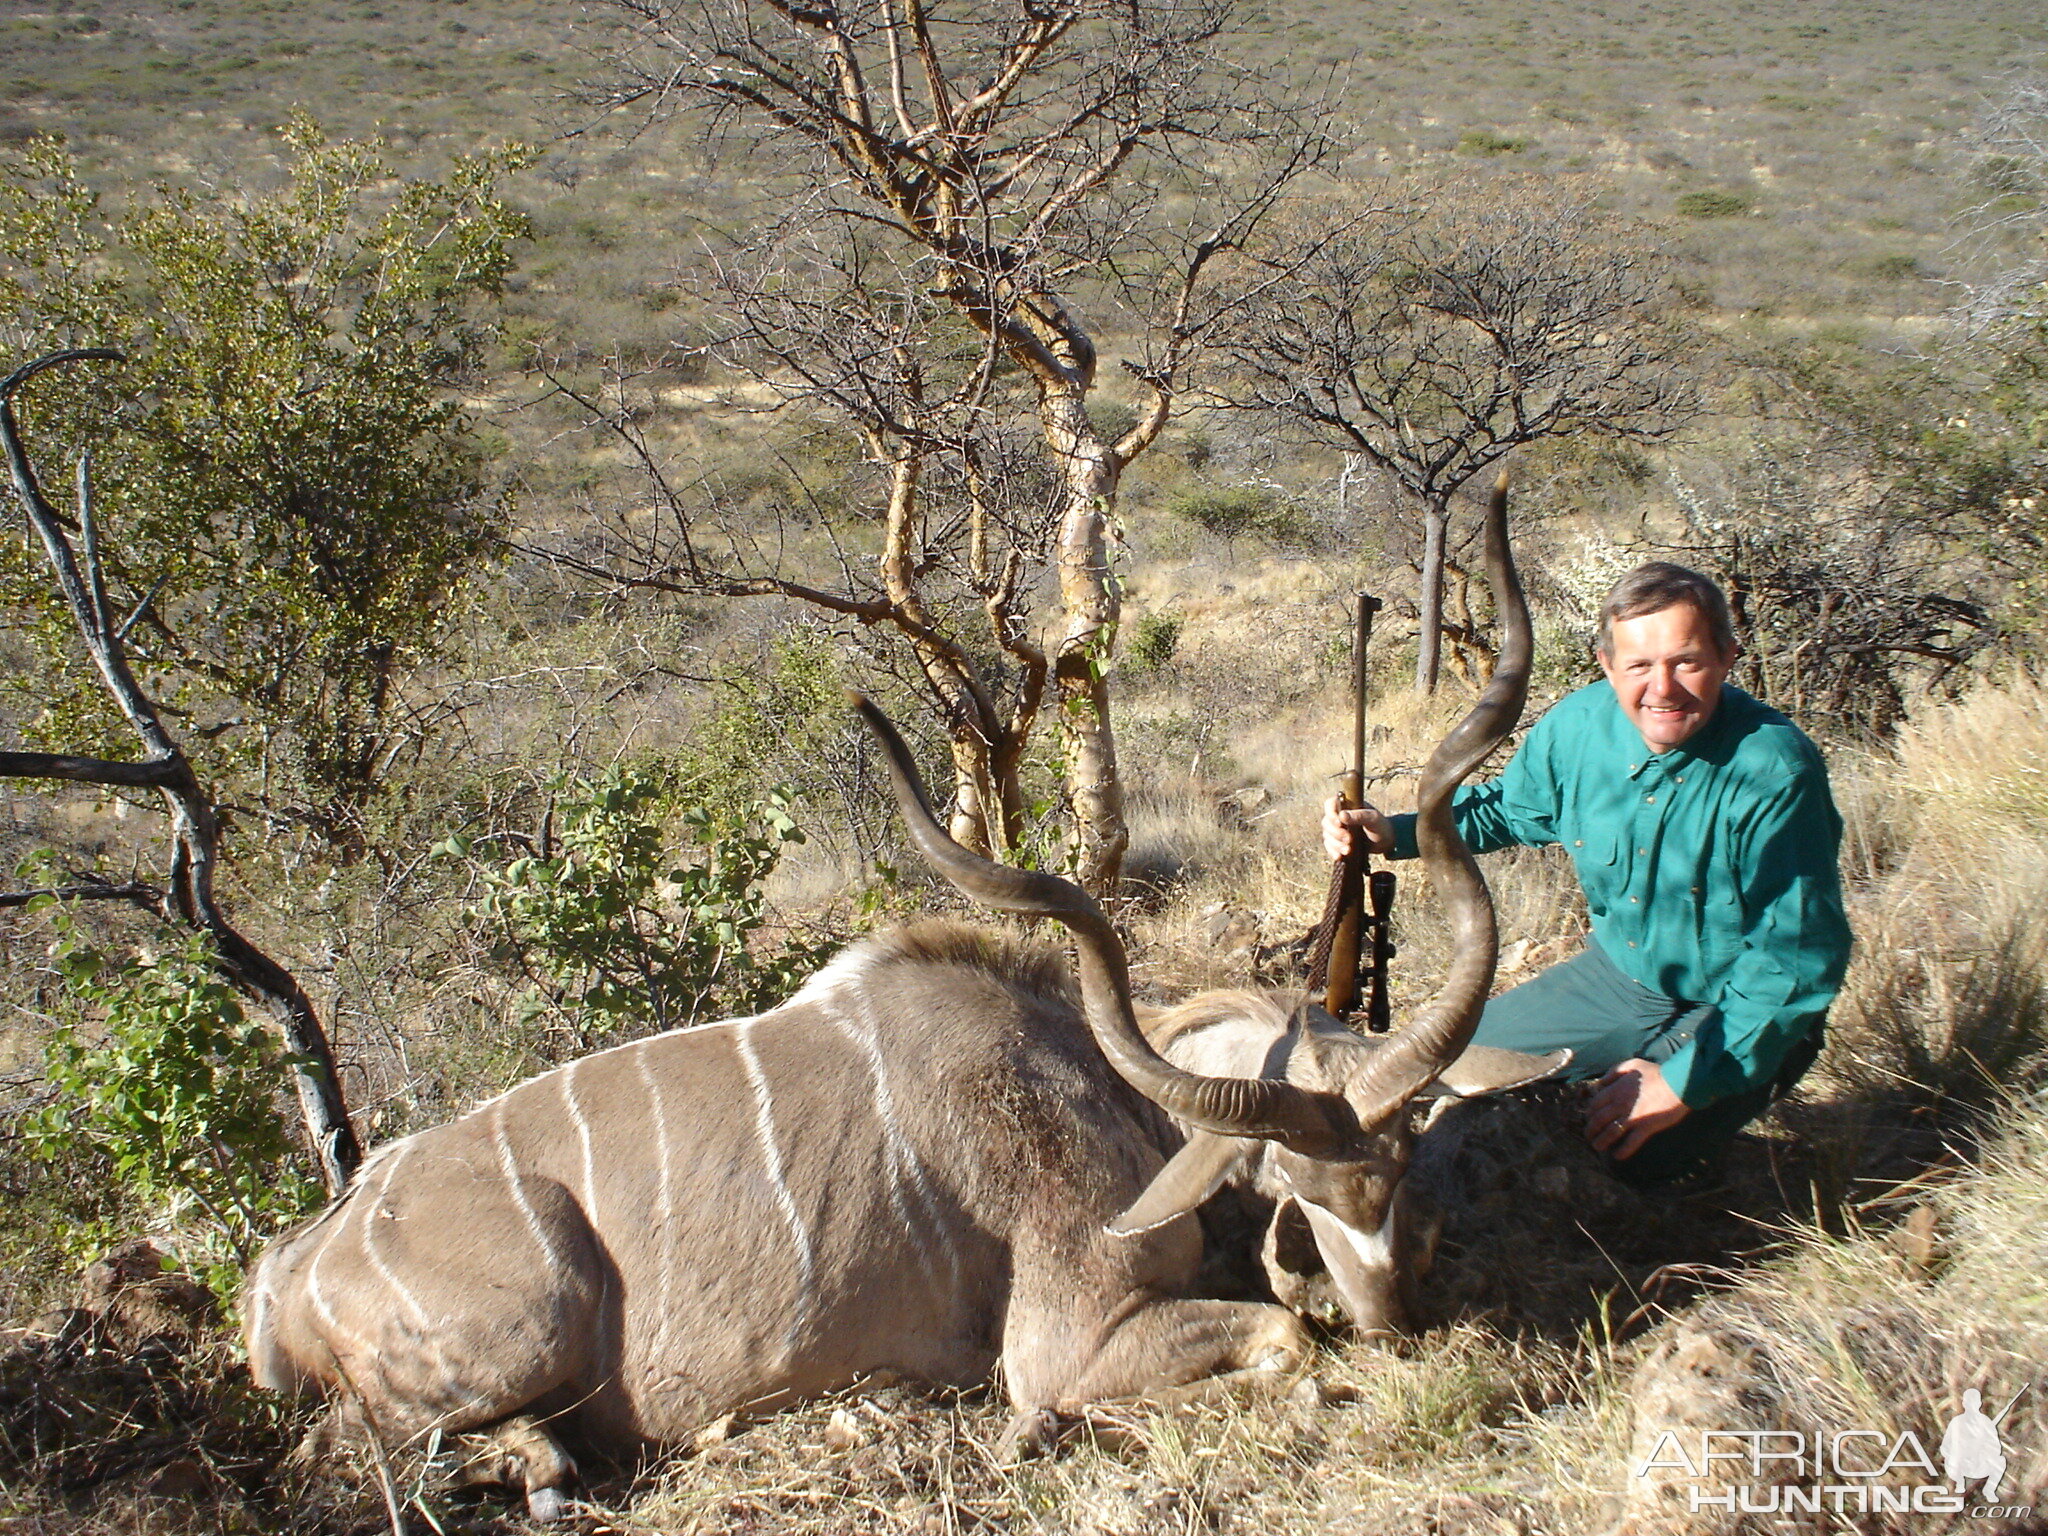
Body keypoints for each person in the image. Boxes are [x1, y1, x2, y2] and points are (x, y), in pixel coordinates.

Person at [1323, 563, 1852, 1185]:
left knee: (1620, 1156)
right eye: (1638, 666)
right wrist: (1397, 832)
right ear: (1606, 664)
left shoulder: (1774, 771)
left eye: (1687, 662)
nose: (1663, 688)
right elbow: (1510, 810)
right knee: (1432, 1070)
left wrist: (1682, 1081)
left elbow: (1792, 968)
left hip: (1738, 1001)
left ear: (1728, 658)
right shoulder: (1578, 728)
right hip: (1618, 979)